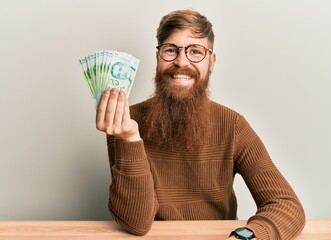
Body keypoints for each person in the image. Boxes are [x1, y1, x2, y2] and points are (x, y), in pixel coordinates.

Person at [95, 9, 305, 240]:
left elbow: (286, 204)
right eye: (171, 50)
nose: (181, 61)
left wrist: (246, 237)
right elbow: (137, 223)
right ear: (158, 57)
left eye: (195, 51)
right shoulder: (126, 121)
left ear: (211, 61)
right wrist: (129, 139)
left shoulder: (233, 125)